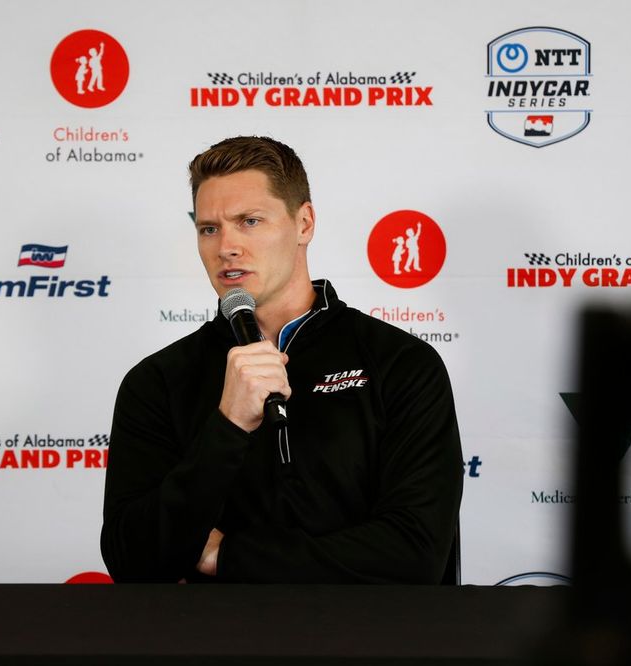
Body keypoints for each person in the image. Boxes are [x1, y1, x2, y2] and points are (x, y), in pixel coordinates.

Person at [101, 136, 462, 583]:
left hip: (370, 649)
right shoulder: (156, 380)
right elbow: (131, 561)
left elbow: (416, 555)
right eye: (208, 228)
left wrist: (228, 557)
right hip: (212, 650)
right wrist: (228, 426)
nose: (226, 246)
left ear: (304, 223)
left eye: (249, 221)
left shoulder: (402, 363)